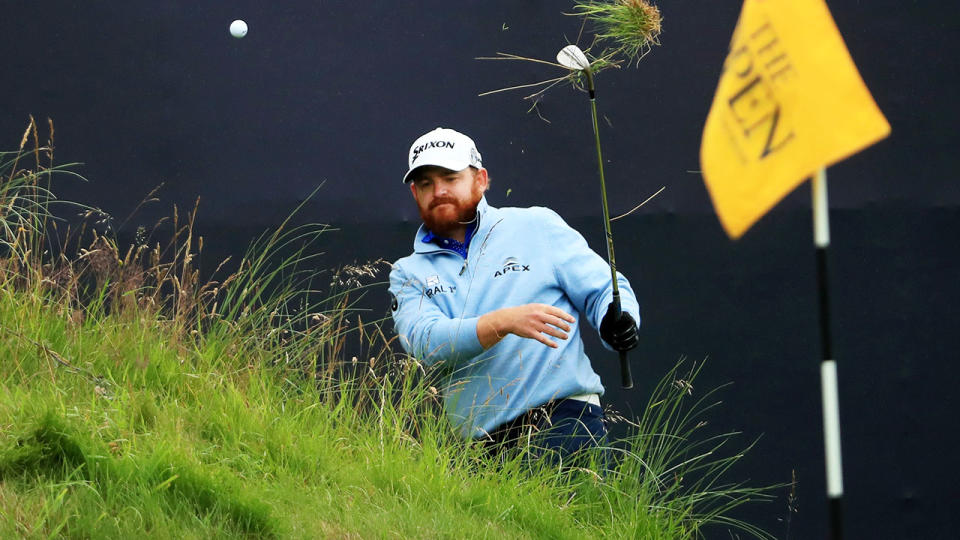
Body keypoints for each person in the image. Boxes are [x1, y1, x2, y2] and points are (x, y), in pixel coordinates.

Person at [388, 127, 640, 463]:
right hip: (478, 451)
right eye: (425, 184)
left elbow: (604, 288)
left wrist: (617, 318)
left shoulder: (537, 226)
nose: (439, 191)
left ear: (481, 180)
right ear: (414, 194)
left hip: (566, 422)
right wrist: (503, 322)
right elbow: (426, 343)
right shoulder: (407, 273)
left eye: (450, 177)